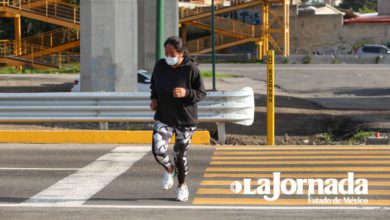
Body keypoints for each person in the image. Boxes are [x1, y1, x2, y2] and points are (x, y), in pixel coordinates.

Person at [150, 36, 206, 202]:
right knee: (158, 150)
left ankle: (182, 186)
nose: (168, 56)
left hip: (185, 121)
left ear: (181, 53)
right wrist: (154, 98)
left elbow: (201, 93)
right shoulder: (160, 66)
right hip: (164, 117)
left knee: (179, 155)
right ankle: (169, 169)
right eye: (166, 53)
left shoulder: (191, 69)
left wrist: (186, 93)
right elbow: (154, 84)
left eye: (172, 53)